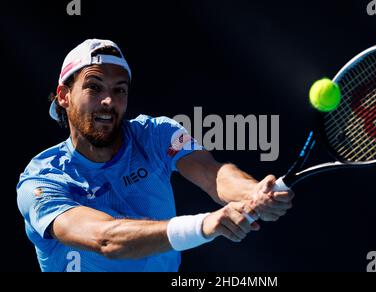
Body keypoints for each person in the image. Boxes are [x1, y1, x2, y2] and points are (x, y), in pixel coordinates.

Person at [16, 39, 295, 272]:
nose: (109, 101)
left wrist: (252, 191)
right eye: (94, 87)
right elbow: (105, 239)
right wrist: (204, 224)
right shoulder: (42, 179)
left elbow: (212, 174)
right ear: (64, 96)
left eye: (119, 90)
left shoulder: (158, 134)